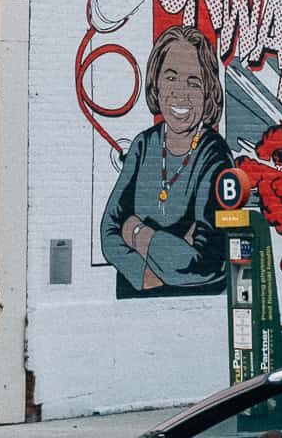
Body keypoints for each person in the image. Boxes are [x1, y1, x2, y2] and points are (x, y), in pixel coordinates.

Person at [99, 28, 234, 296]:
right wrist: (146, 272)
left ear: (208, 91)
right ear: (156, 83)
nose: (180, 93)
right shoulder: (143, 144)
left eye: (193, 82)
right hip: (132, 305)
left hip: (197, 308)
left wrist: (136, 232)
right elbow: (109, 232)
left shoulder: (214, 154)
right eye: (170, 77)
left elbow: (206, 261)